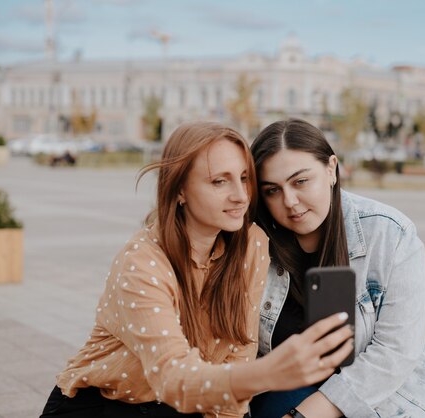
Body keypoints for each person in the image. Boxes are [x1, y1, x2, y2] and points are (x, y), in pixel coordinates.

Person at [40, 122, 354, 418]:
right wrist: (269, 371)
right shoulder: (143, 260)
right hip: (106, 405)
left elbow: (240, 350)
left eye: (244, 178)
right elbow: (172, 376)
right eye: (220, 181)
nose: (241, 196)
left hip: (188, 406)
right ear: (179, 190)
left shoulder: (251, 245)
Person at [249, 119, 425, 418]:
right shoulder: (255, 243)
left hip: (387, 403)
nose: (290, 202)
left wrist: (302, 416)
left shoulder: (390, 234)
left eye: (300, 181)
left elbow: (394, 354)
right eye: (272, 190)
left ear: (331, 169)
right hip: (288, 390)